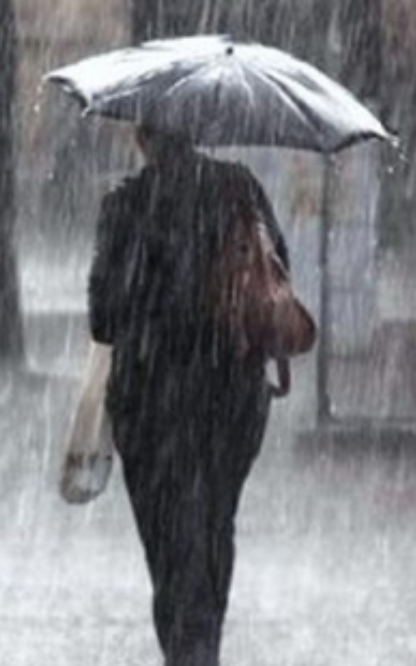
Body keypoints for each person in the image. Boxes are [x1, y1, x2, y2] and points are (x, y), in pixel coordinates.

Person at [89, 125, 288, 666]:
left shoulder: (126, 204)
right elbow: (278, 278)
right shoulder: (239, 188)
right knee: (214, 524)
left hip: (151, 399)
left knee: (168, 540)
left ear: (142, 138)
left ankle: (188, 648)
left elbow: (103, 320)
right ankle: (202, 645)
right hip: (233, 394)